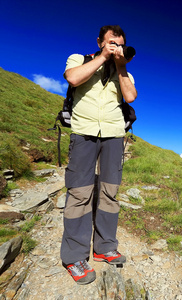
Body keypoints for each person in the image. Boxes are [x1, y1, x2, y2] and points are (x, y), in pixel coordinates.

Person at [60, 25, 137, 285]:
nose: (116, 47)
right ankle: (74, 256)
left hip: (114, 136)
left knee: (109, 192)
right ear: (100, 42)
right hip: (83, 133)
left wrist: (121, 65)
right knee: (80, 193)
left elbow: (130, 96)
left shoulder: (124, 71)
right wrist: (103, 57)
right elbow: (72, 79)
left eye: (120, 44)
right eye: (111, 42)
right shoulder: (79, 59)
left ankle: (104, 248)